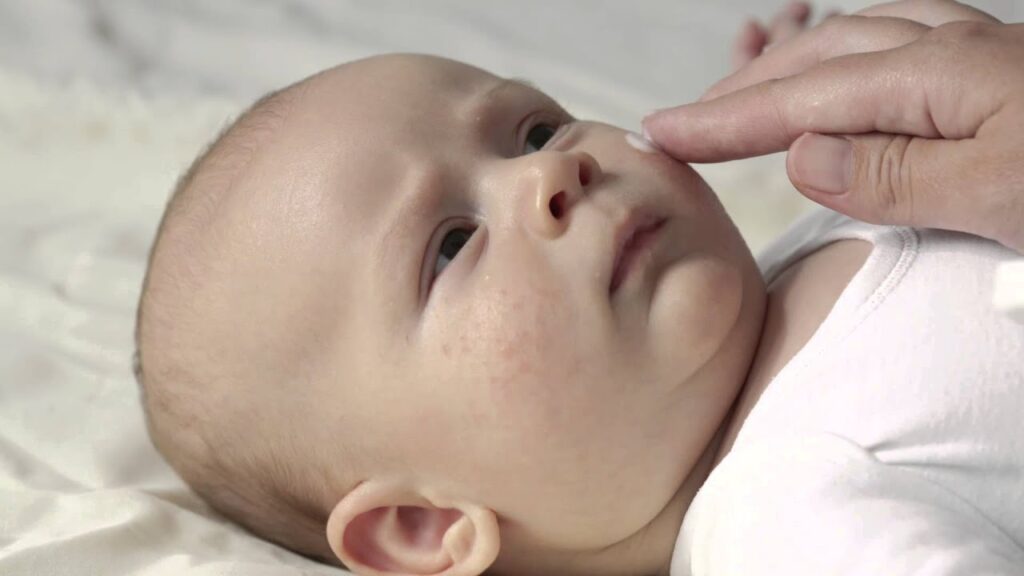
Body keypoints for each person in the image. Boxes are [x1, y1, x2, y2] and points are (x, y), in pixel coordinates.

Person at [132, 4, 1024, 576]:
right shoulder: (789, 523)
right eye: (451, 245)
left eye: (533, 130)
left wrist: (894, 80)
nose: (551, 173)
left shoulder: (825, 232)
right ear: (422, 525)